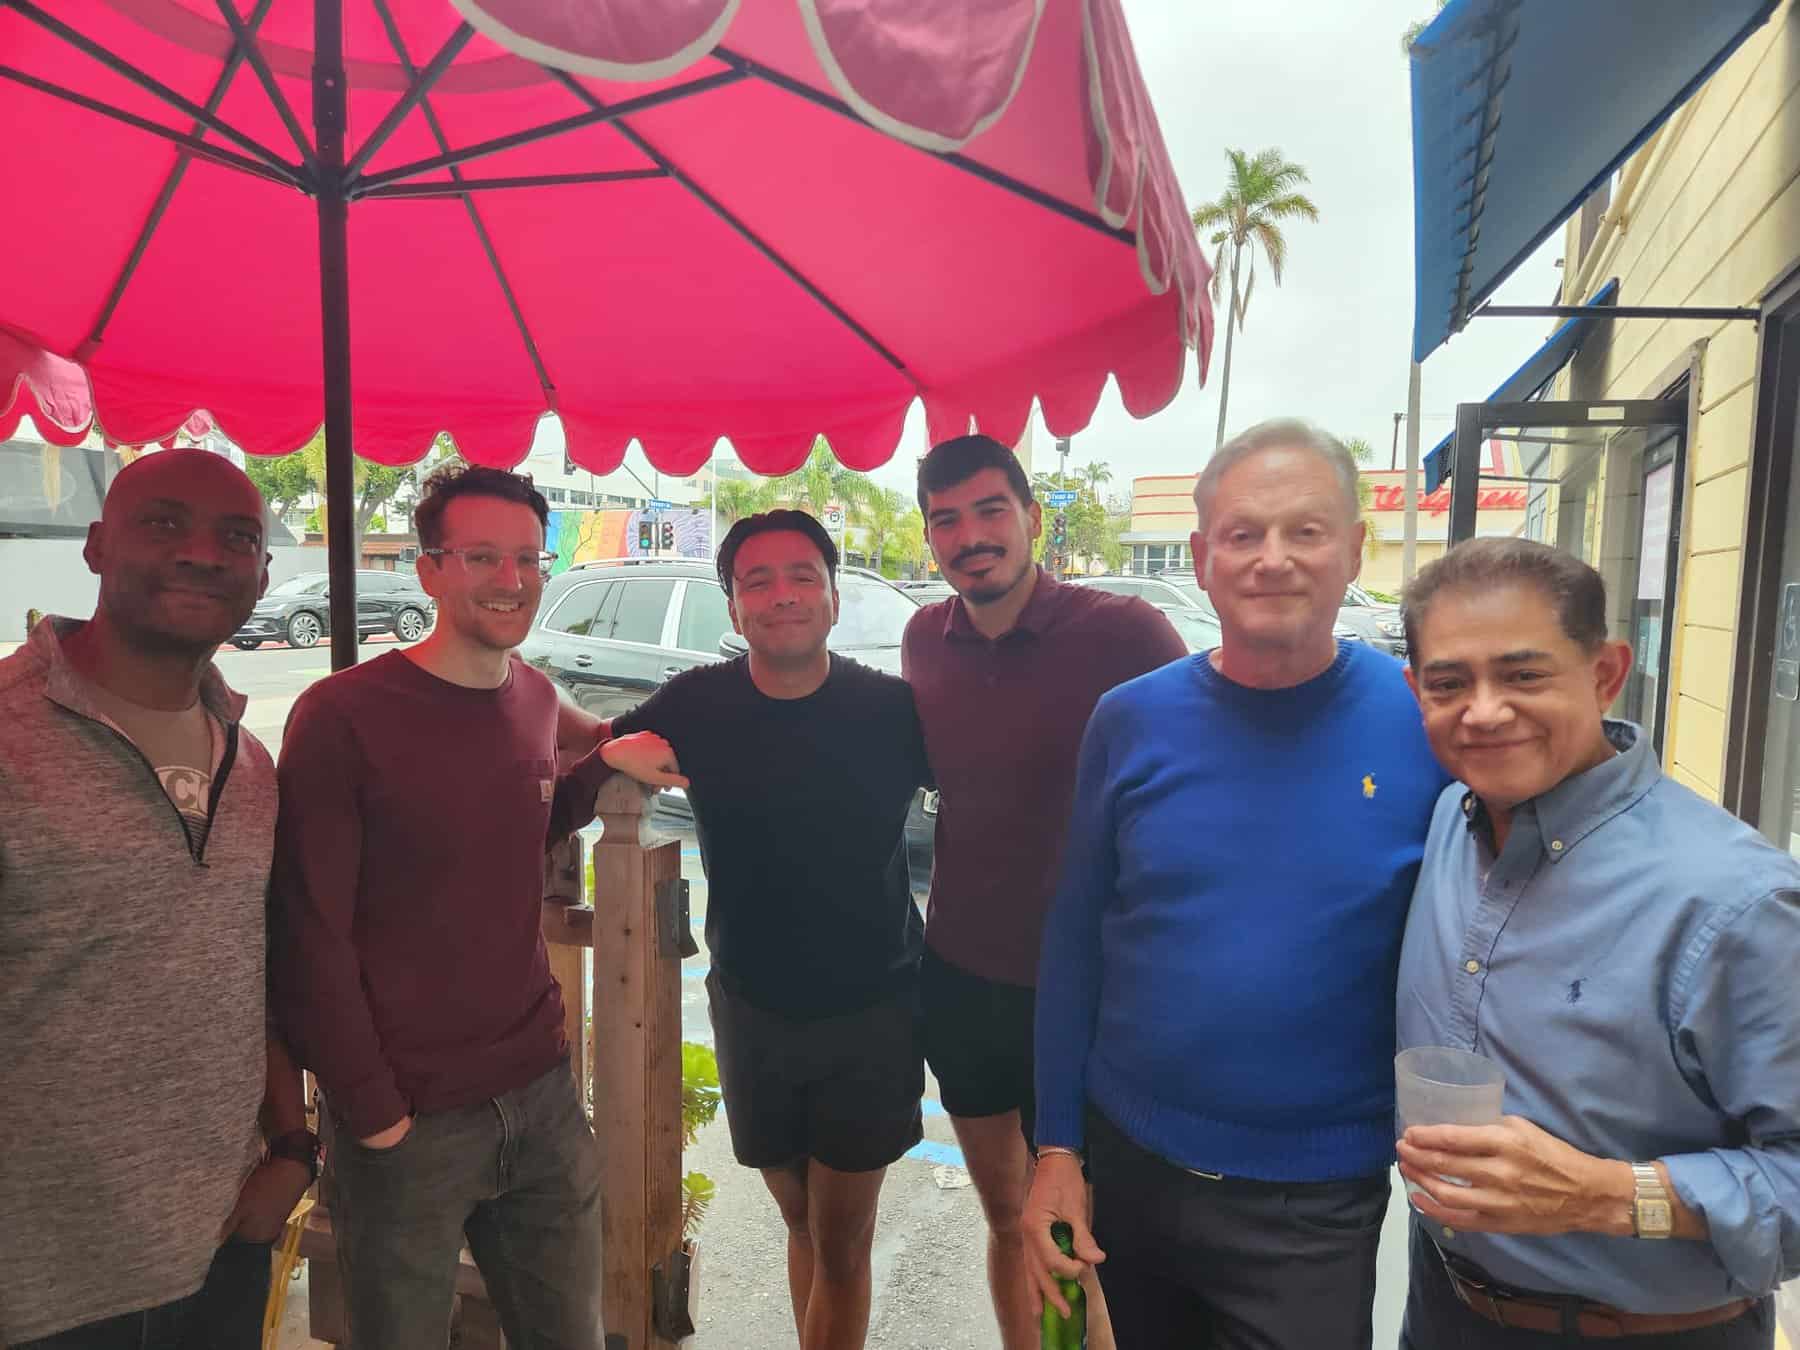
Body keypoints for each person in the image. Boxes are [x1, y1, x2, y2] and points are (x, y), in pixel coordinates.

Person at [1024, 419, 1451, 1349]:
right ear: (1201, 558)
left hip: (1317, 1199)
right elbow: (1074, 941)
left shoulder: (1424, 724)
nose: (1273, 559)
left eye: (1306, 531)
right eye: (1244, 533)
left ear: (1354, 551)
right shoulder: (1129, 720)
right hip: (1135, 1167)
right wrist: (1057, 1147)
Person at [270, 465, 676, 1350]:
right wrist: (373, 1113)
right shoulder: (342, 715)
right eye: (482, 556)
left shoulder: (529, 694)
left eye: (528, 557)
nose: (511, 578)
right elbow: (306, 933)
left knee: (569, 1335)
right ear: (429, 570)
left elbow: (529, 821)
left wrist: (605, 764)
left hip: (540, 1093)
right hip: (408, 1118)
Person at [1394, 536, 1800, 1348]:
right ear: (1417, 692)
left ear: (1607, 673)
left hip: (1653, 1331)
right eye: (1450, 683)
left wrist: (1608, 1194)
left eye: (1523, 675)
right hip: (1444, 1306)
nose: (1483, 711)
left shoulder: (1734, 899)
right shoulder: (1450, 819)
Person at [0, 448, 314, 1349]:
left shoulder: (248, 761)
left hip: (220, 1243)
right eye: (164, 523)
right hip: (41, 1285)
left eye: (237, 538)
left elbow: (249, 973)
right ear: (97, 546)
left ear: (263, 574)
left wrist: (291, 1151)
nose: (202, 554)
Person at [605, 509, 933, 1350]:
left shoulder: (891, 708)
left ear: (832, 598)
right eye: (758, 581)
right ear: (734, 606)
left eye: (802, 577)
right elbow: (585, 738)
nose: (782, 594)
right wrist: (612, 752)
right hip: (751, 1007)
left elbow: (997, 783)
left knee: (843, 1240)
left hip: (873, 1009)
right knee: (801, 1222)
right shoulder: (698, 703)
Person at [901, 433, 1188, 1349]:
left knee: (1076, 1241)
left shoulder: (1125, 633)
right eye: (946, 520)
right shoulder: (923, 639)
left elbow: (1202, 765)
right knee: (1004, 1220)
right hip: (962, 978)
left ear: (1032, 517)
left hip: (1096, 993)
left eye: (991, 511)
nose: (971, 536)